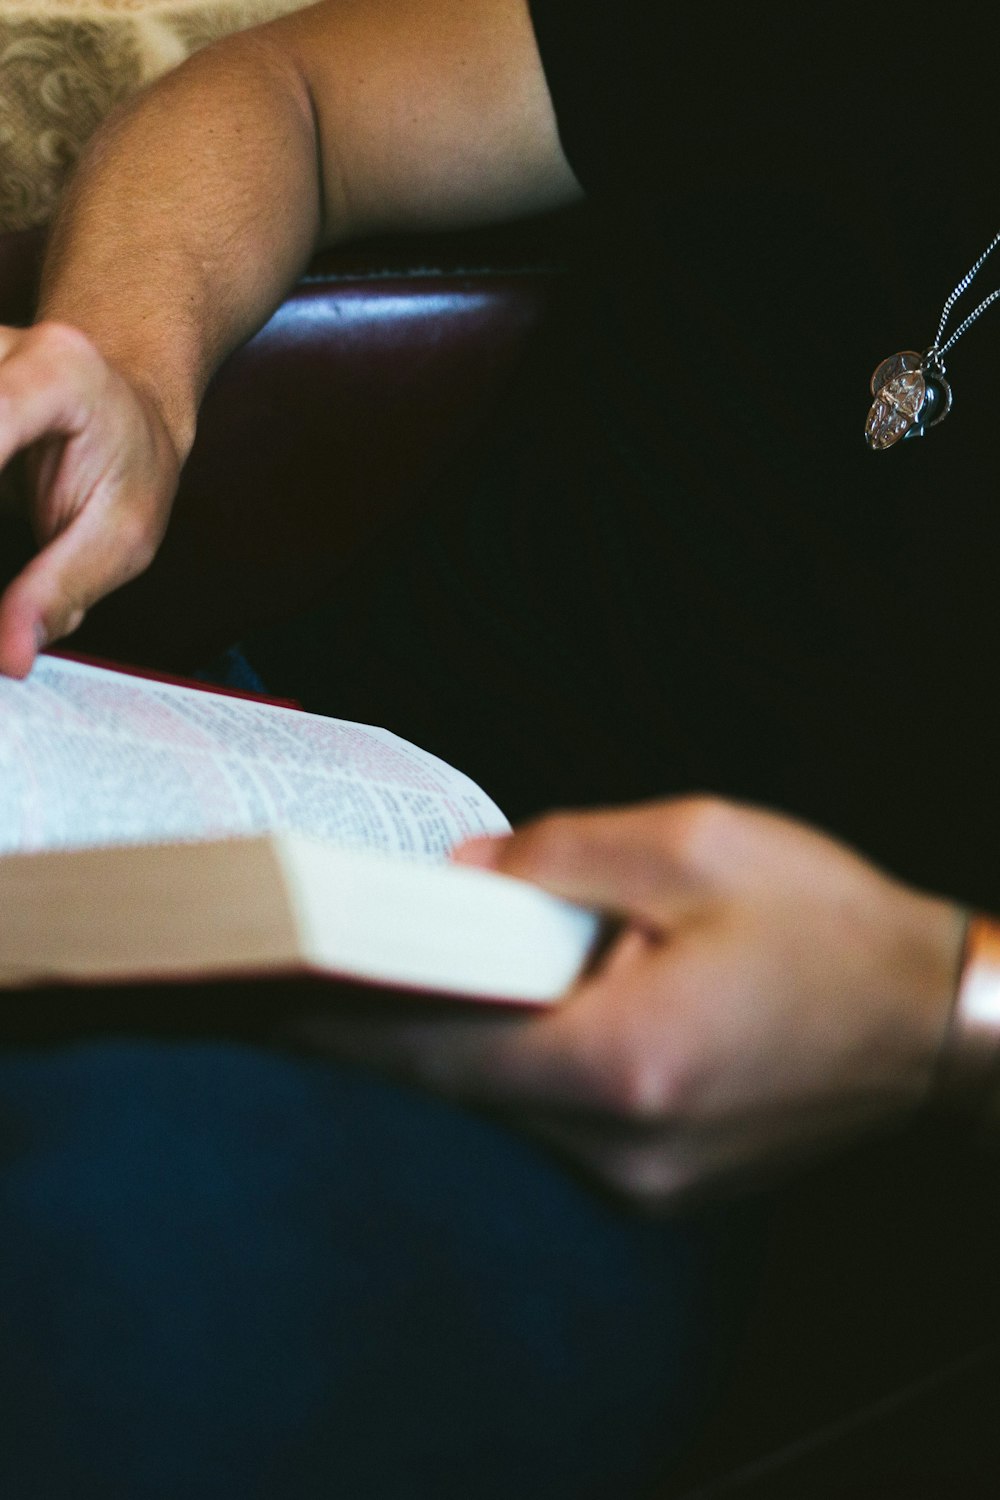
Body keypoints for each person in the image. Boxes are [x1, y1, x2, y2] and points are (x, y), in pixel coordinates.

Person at [1, 0, 999, 1493]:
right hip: (294, 783)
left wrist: (946, 1010)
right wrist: (137, 363)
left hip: (725, 1112)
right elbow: (298, 97)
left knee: (108, 1241)